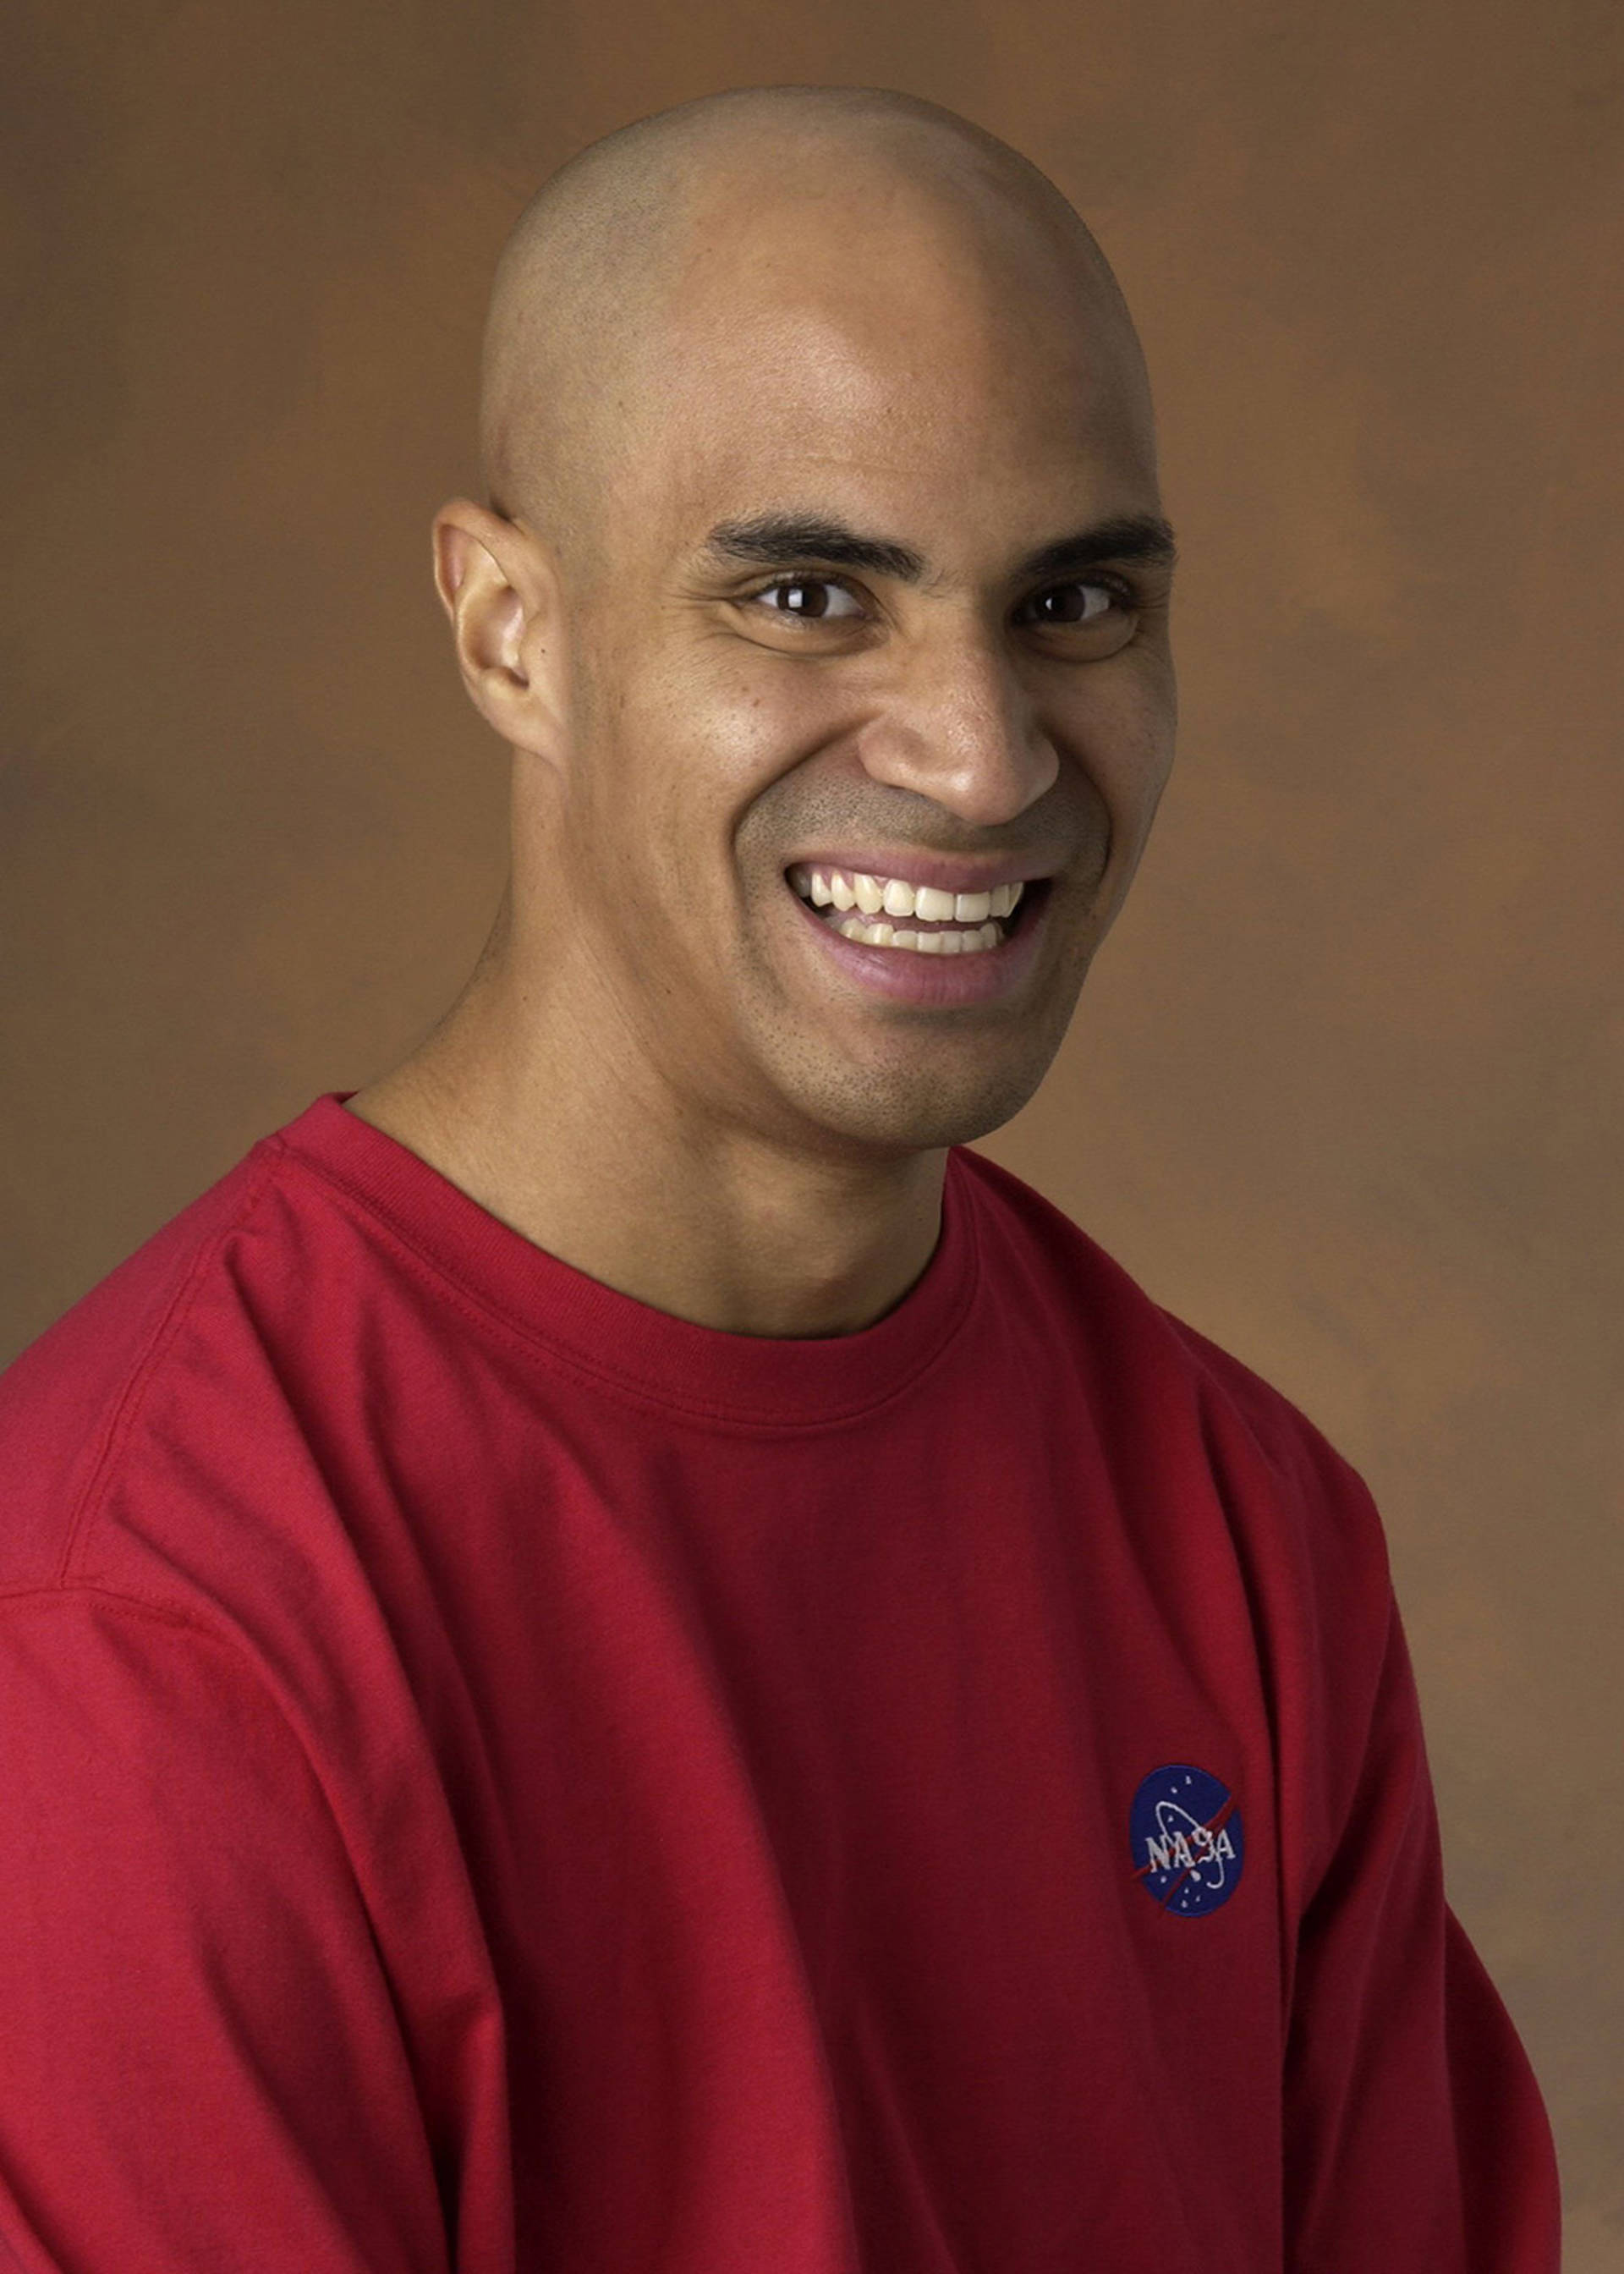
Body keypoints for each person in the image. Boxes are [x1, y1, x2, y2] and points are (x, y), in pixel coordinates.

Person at [0, 81, 1559, 2272]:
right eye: (811, 594)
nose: (983, 758)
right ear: (511, 632)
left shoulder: (1247, 1528)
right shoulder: (146, 1634)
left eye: (1074, 601)